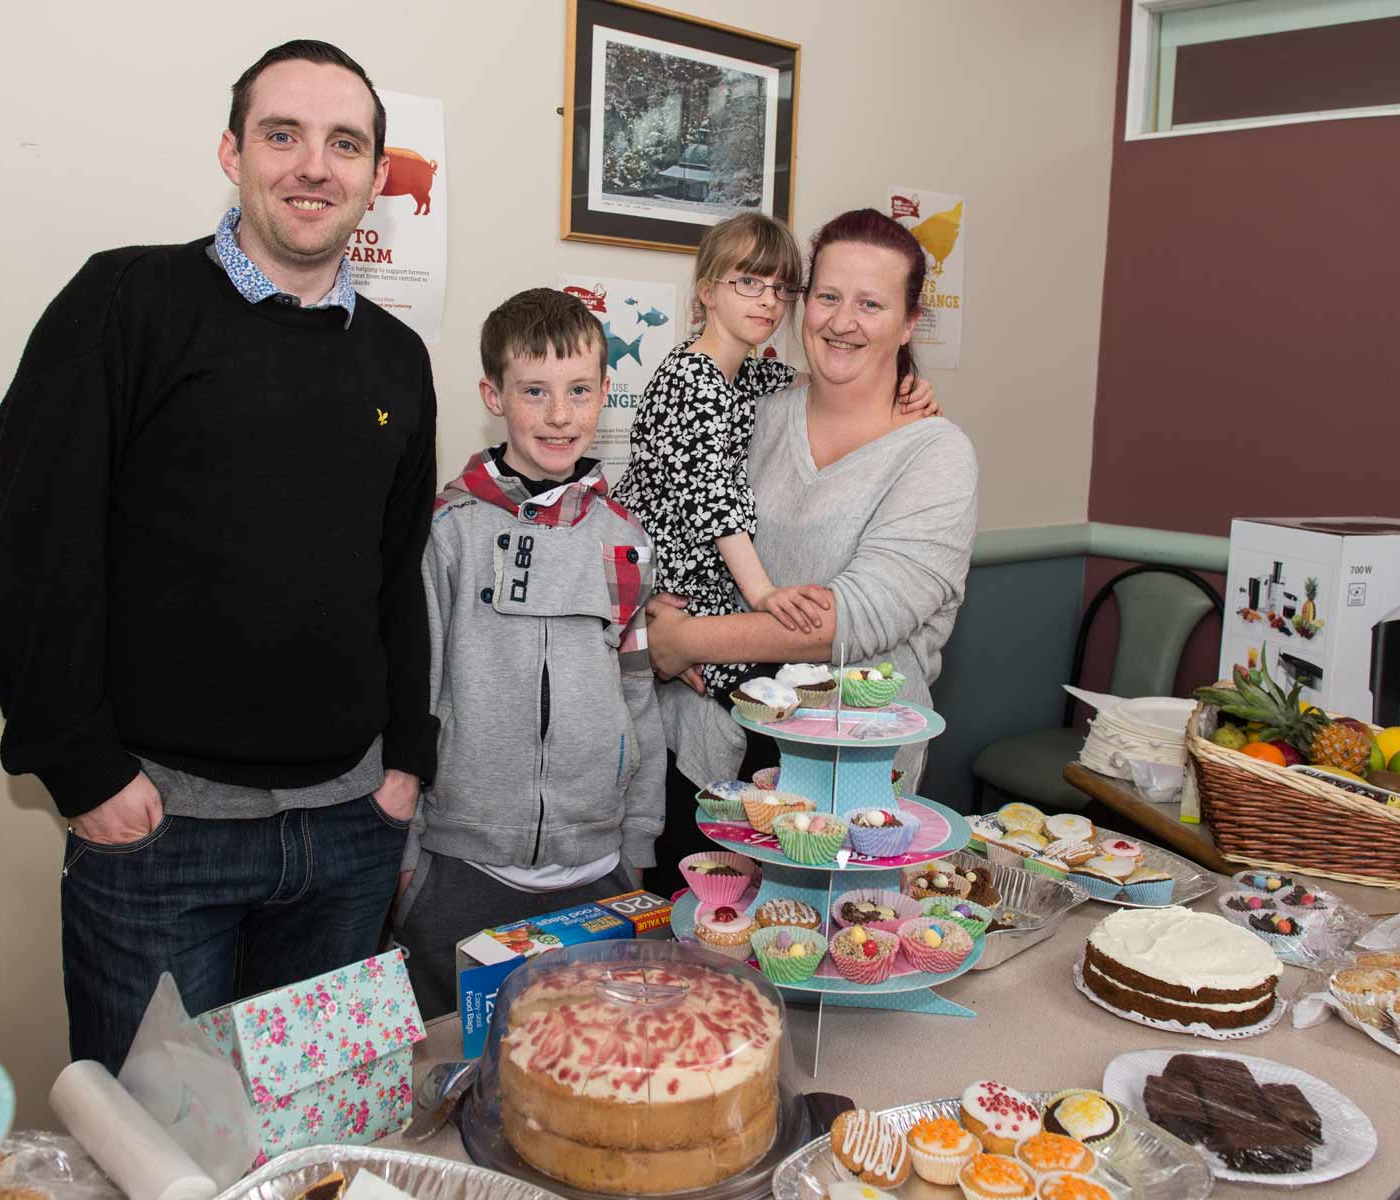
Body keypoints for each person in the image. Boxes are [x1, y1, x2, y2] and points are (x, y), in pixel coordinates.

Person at [0, 41, 439, 1072]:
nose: (313, 166)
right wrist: (82, 767)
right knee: (158, 1154)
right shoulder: (120, 304)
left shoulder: (397, 359)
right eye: (283, 135)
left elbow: (393, 575)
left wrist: (408, 760)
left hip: (348, 834)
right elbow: (38, 551)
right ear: (232, 152)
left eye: (344, 144)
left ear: (375, 178)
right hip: (159, 837)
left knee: (316, 1141)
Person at [641, 210, 978, 896]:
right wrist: (652, 609)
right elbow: (674, 508)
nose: (842, 321)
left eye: (871, 304)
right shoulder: (752, 409)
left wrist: (680, 643)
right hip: (713, 761)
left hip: (847, 788)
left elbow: (845, 621)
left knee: (836, 967)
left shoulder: (936, 454)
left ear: (911, 322)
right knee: (703, 967)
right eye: (827, 296)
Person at [392, 288, 665, 1019]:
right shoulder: (448, 532)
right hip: (461, 868)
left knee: (587, 1068)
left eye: (579, 391)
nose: (559, 414)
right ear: (494, 395)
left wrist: (638, 839)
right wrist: (409, 859)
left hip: (598, 870)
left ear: (606, 392)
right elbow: (413, 695)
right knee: (456, 1077)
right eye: (534, 391)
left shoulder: (625, 541)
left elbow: (638, 698)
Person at [613, 213, 937, 704]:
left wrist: (908, 388)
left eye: (781, 288)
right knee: (763, 696)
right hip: (670, 568)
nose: (768, 300)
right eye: (747, 282)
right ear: (706, 291)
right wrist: (763, 596)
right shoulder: (691, 379)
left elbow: (814, 379)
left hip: (698, 577)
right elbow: (715, 504)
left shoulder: (747, 375)